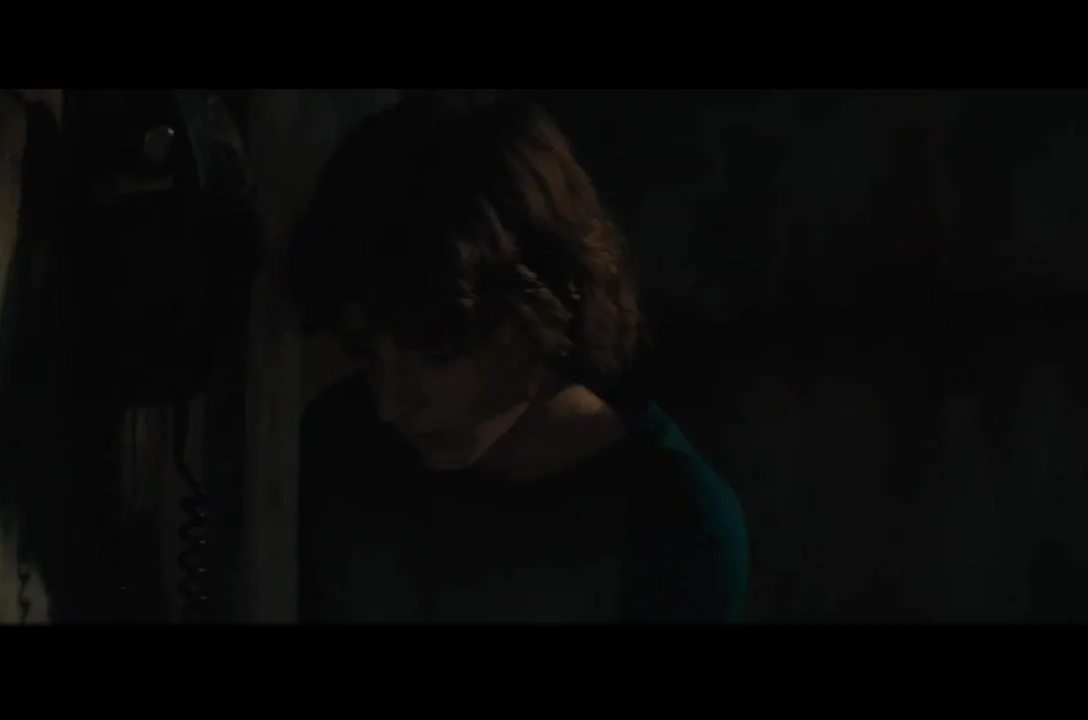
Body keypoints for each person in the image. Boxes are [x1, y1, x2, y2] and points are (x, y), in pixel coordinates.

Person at [283, 93, 747, 623]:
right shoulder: (337, 447)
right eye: (367, 353)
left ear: (541, 305)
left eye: (436, 353)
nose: (390, 403)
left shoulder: (673, 521)